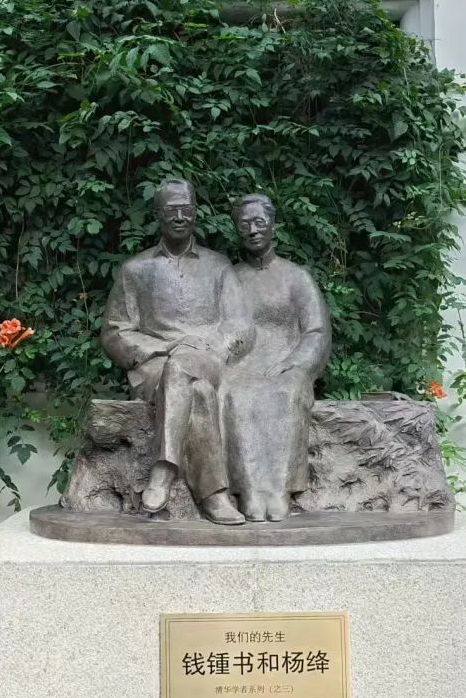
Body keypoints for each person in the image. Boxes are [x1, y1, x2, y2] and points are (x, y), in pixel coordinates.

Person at [101, 178, 253, 524]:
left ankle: (164, 470)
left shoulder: (218, 267)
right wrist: (166, 348)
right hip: (155, 366)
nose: (181, 216)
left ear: (196, 212)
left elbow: (241, 325)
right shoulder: (135, 269)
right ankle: (214, 496)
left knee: (186, 366)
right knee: (195, 389)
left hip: (209, 359)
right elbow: (114, 332)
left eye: (187, 209)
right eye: (172, 210)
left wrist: (211, 350)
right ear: (157, 215)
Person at [220, 193, 332, 521]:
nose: (253, 230)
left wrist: (296, 364)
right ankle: (249, 491)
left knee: (286, 393)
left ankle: (280, 489)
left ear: (272, 226)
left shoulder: (296, 277)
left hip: (288, 361)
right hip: (242, 365)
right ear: (237, 230)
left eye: (259, 222)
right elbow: (219, 328)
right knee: (234, 395)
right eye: (245, 225)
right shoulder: (229, 278)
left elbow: (316, 331)